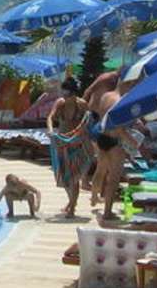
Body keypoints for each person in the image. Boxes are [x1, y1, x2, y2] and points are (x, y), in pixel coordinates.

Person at [87, 78, 143, 224]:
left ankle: (94, 197)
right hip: (114, 142)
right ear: (128, 83)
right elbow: (119, 129)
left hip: (101, 137)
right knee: (113, 179)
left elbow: (98, 114)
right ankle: (107, 212)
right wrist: (134, 143)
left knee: (100, 170)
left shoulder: (106, 96)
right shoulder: (121, 101)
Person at [46, 79, 93, 217]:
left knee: (74, 177)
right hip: (62, 142)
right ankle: (71, 202)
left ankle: (72, 208)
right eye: (64, 93)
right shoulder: (60, 103)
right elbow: (50, 117)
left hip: (77, 143)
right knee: (65, 177)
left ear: (74, 93)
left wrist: (76, 133)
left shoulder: (82, 104)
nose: (65, 96)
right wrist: (50, 130)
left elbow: (87, 122)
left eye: (68, 94)